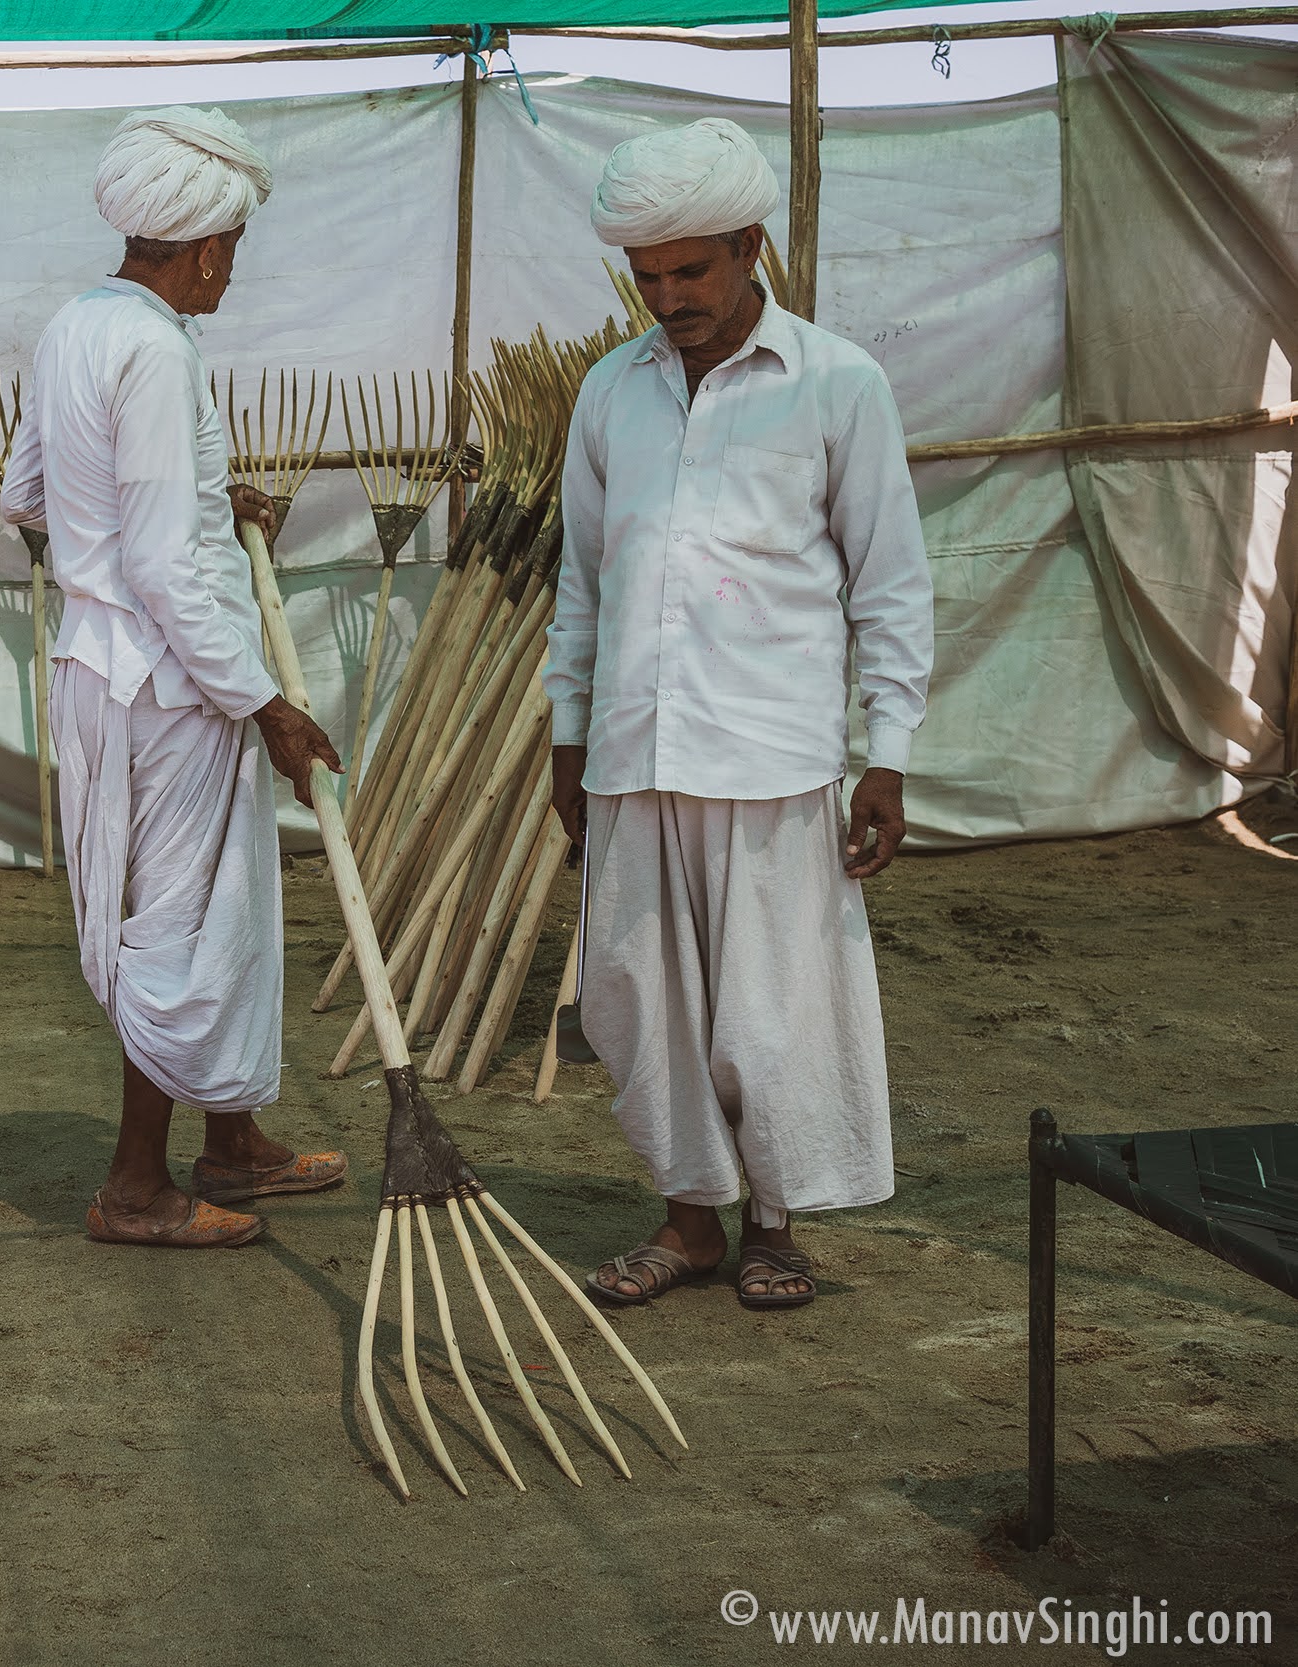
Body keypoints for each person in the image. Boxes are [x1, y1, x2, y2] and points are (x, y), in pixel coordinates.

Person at [544, 118, 934, 1311]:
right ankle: (687, 1222)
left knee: (768, 1018)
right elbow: (583, 581)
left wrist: (889, 755)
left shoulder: (834, 382)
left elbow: (890, 580)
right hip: (634, 750)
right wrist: (569, 733)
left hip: (773, 754)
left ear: (750, 247)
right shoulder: (610, 392)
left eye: (692, 271)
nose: (668, 297)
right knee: (639, 1000)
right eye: (647, 276)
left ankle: (771, 1222)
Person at [0, 106, 348, 1249]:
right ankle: (136, 1187)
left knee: (218, 904)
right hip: (169, 684)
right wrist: (267, 705)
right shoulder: (153, 346)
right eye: (233, 253)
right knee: (182, 924)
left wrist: (209, 501)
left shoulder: (76, 327)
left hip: (109, 670)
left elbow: (28, 499)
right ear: (204, 248)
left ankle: (234, 1140)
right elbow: (155, 562)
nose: (229, 275)